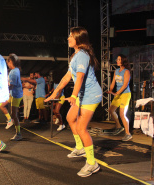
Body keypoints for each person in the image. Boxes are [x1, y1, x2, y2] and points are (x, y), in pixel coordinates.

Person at [45, 27, 102, 177]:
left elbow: (81, 78)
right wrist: (54, 94)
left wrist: (74, 96)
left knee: (82, 128)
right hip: (83, 95)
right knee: (70, 118)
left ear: (78, 39)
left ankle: (92, 163)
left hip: (91, 95)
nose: (68, 38)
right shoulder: (75, 56)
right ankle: (80, 147)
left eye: (71, 36)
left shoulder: (82, 55)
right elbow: (66, 77)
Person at [107, 54, 132, 141]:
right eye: (117, 59)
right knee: (111, 110)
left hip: (125, 94)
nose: (117, 61)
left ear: (123, 61)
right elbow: (113, 82)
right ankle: (119, 126)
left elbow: (125, 85)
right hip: (118, 94)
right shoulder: (116, 71)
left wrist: (116, 93)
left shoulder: (126, 71)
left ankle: (128, 133)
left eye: (118, 59)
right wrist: (110, 90)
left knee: (122, 114)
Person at [5, 53, 23, 141]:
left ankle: (18, 133)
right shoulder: (15, 70)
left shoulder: (14, 72)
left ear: (10, 62)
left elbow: (11, 85)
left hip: (16, 95)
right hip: (13, 94)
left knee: (14, 114)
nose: (7, 64)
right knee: (1, 105)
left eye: (8, 62)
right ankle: (9, 120)